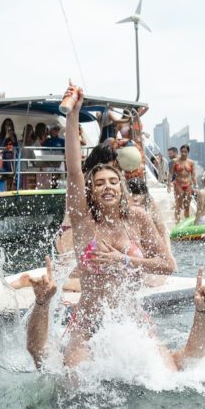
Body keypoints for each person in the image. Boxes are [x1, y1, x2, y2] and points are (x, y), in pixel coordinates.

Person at [41, 81, 177, 368]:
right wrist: (73, 115)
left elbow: (167, 265)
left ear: (122, 186)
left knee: (169, 372)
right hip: (89, 317)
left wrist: (123, 259)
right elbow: (74, 167)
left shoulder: (138, 217)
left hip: (130, 317)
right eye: (100, 183)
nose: (107, 187)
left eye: (113, 182)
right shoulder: (82, 220)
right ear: (92, 190)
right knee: (72, 381)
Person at [25, 258, 205, 372]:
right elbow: (38, 352)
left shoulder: (141, 342)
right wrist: (42, 303)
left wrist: (202, 312)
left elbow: (192, 357)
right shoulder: (76, 354)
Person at [169, 144, 197, 222]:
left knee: (187, 205)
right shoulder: (175, 161)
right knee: (179, 205)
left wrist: (196, 186)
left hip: (188, 184)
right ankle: (177, 222)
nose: (183, 153)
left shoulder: (191, 162)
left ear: (188, 152)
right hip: (178, 184)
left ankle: (186, 221)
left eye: (185, 152)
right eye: (182, 152)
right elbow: (170, 173)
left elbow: (194, 175)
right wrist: (168, 184)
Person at [0, 118, 19, 190]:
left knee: (12, 176)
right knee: (5, 175)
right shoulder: (1, 135)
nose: (8, 126)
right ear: (4, 126)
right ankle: (5, 189)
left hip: (13, 158)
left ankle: (12, 188)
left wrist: (12, 138)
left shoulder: (14, 135)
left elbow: (16, 146)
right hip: (5, 158)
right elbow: (1, 147)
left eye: (9, 124)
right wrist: (6, 137)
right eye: (6, 124)